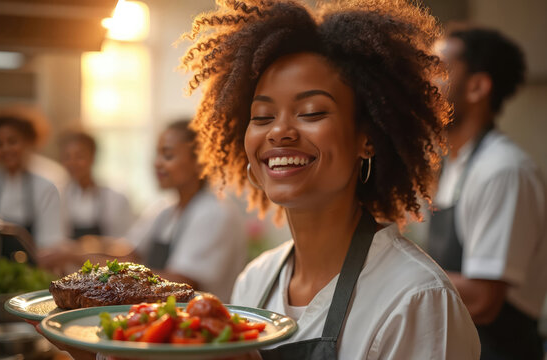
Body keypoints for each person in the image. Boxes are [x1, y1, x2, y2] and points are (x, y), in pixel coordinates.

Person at [180, 0, 480, 358]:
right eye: (262, 116)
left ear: (366, 138)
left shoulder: (416, 298)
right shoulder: (255, 281)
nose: (279, 131)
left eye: (312, 112)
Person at [428, 27, 547, 360]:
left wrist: (391, 272)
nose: (426, 84)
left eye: (438, 71)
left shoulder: (502, 170)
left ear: (478, 86)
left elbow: (482, 299)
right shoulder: (456, 164)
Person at [126, 120, 247, 302]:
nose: (157, 164)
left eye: (167, 156)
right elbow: (129, 252)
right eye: (157, 155)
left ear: (200, 161)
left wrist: (118, 278)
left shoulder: (215, 212)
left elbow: (183, 283)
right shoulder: (164, 210)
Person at [0, 114, 64, 265]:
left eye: (12, 142)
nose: (5, 149)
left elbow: (50, 245)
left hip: (34, 276)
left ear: (28, 143)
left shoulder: (45, 188)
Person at [58, 130, 133, 239]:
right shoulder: (59, 197)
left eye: (79, 156)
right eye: (67, 157)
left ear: (93, 156)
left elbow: (126, 243)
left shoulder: (116, 198)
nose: (72, 162)